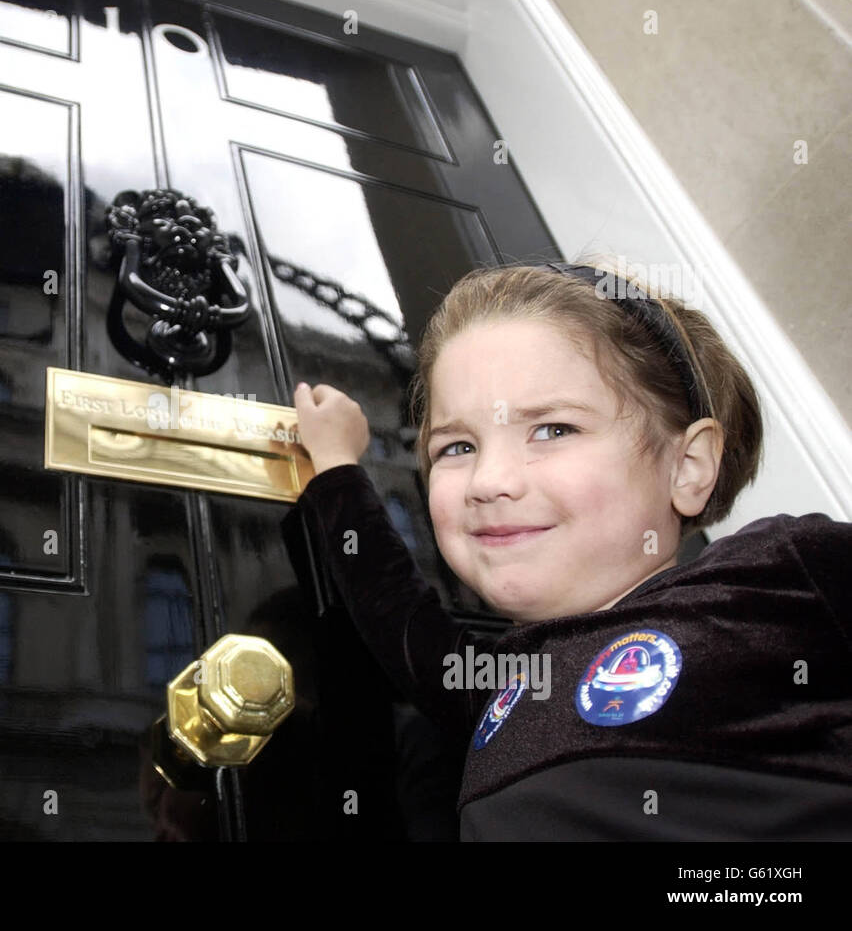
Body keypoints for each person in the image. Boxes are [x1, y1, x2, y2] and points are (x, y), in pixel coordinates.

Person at [289, 260, 852, 839]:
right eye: (456, 446)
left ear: (687, 466)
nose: (488, 481)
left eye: (554, 430)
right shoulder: (502, 689)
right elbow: (394, 610)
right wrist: (335, 467)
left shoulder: (781, 581)